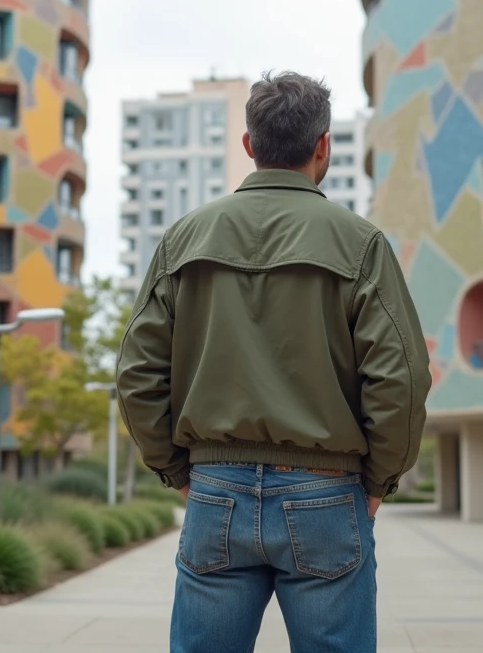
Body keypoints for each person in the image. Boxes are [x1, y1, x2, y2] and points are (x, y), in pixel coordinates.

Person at [116, 71, 431, 653]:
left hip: (215, 489)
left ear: (248, 145)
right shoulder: (360, 244)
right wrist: (378, 480)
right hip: (328, 491)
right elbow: (402, 379)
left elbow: (136, 374)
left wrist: (177, 471)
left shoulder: (183, 239)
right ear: (323, 146)